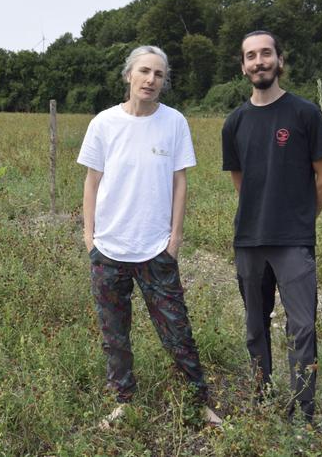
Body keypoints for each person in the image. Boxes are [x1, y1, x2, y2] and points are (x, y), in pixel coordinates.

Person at [78, 45, 222, 429]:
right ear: (129, 75)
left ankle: (198, 402)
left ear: (164, 81)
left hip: (156, 249)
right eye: (144, 71)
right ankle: (124, 401)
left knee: (177, 329)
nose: (151, 80)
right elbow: (92, 182)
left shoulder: (174, 123)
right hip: (109, 250)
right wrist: (89, 237)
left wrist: (174, 239)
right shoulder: (104, 124)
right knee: (115, 334)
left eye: (158, 75)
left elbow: (179, 182)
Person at [221, 30, 322, 422]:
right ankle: (262, 393)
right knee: (256, 326)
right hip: (249, 240)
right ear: (243, 66)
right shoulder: (234, 122)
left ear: (279, 60)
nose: (259, 61)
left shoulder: (305, 113)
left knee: (302, 327)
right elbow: (241, 181)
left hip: (293, 242)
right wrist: (261, 213)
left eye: (265, 53)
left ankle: (303, 409)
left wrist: (302, 219)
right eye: (251, 56)